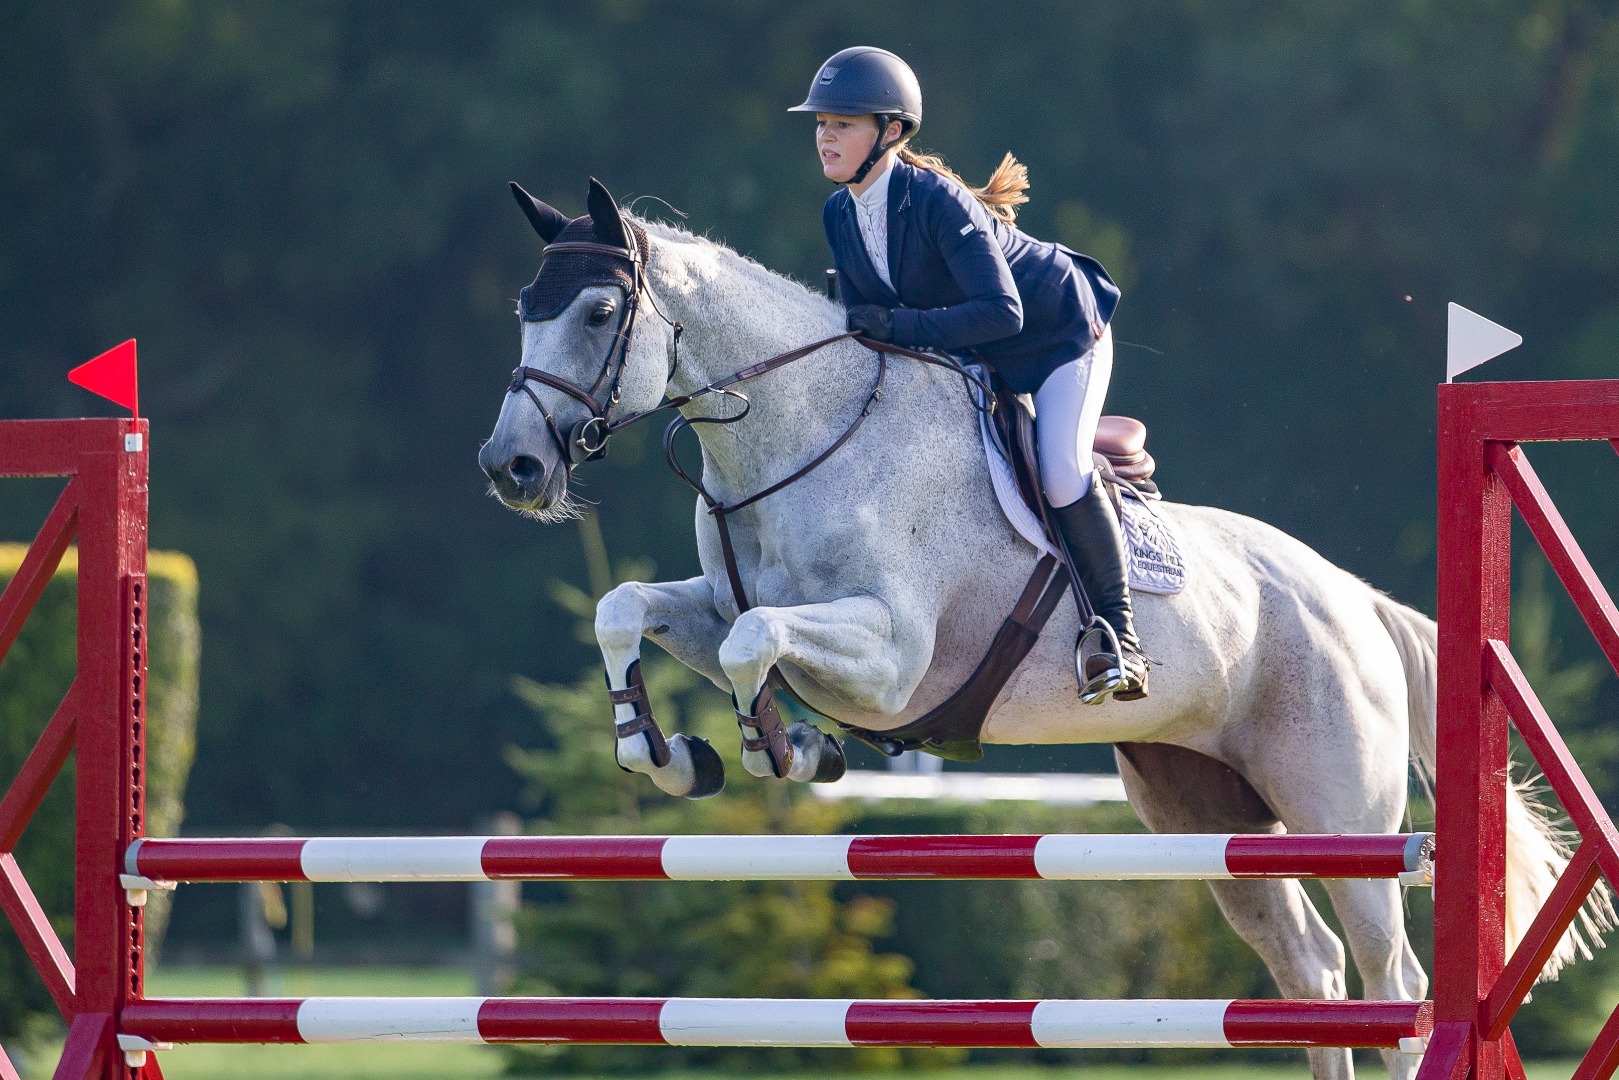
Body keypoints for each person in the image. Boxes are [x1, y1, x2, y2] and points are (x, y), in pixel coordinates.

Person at [789, 46, 1148, 703]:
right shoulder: (839, 212)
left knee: (1061, 470)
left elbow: (1001, 312)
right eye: (820, 123)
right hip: (978, 355)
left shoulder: (933, 200)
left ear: (890, 132)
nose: (825, 136)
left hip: (1058, 335)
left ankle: (1118, 639)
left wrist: (896, 328)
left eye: (842, 123)